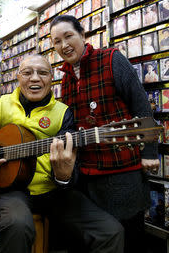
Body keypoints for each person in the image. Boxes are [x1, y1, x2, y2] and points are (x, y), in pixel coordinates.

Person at [0, 54, 124, 253]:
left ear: (52, 79)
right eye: (27, 72)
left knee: (111, 231)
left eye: (42, 73)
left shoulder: (64, 113)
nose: (35, 78)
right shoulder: (1, 104)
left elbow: (69, 172)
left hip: (52, 191)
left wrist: (63, 176)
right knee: (17, 225)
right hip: (10, 190)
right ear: (18, 76)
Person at [50, 15, 159, 253]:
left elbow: (141, 105)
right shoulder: (65, 78)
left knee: (127, 238)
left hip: (122, 173)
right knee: (97, 241)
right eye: (57, 41)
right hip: (85, 176)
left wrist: (150, 151)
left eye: (68, 36)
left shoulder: (111, 59)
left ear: (82, 34)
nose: (64, 45)